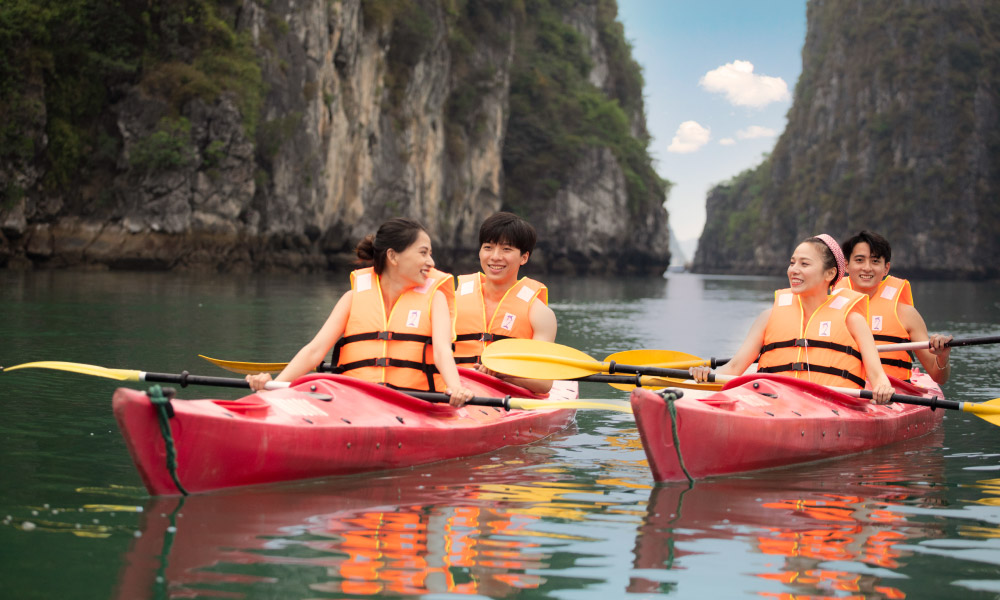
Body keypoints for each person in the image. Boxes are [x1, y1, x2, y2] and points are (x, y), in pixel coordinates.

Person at [246, 218, 475, 407]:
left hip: (413, 402)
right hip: (354, 401)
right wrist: (273, 387)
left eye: (430, 254)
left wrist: (455, 388)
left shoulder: (435, 299)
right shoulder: (353, 298)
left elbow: (442, 352)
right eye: (423, 253)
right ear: (393, 256)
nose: (431, 262)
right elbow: (314, 351)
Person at [689, 234, 895, 404]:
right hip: (771, 402)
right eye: (792, 262)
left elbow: (877, 377)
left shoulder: (853, 320)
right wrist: (704, 374)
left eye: (804, 264)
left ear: (830, 273)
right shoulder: (768, 317)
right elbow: (734, 369)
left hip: (833, 406)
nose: (793, 270)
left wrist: (883, 389)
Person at [452, 212, 557, 394]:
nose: (495, 257)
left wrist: (503, 373)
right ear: (479, 252)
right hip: (455, 389)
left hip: (506, 395)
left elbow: (544, 383)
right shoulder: (451, 301)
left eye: (506, 249)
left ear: (524, 257)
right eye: (488, 247)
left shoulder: (540, 314)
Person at [836, 230, 952, 384]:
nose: (867, 268)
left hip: (893, 394)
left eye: (875, 261)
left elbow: (939, 378)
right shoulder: (827, 307)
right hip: (842, 391)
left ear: (886, 268)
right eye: (859, 260)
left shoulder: (906, 314)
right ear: (846, 266)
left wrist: (942, 357)